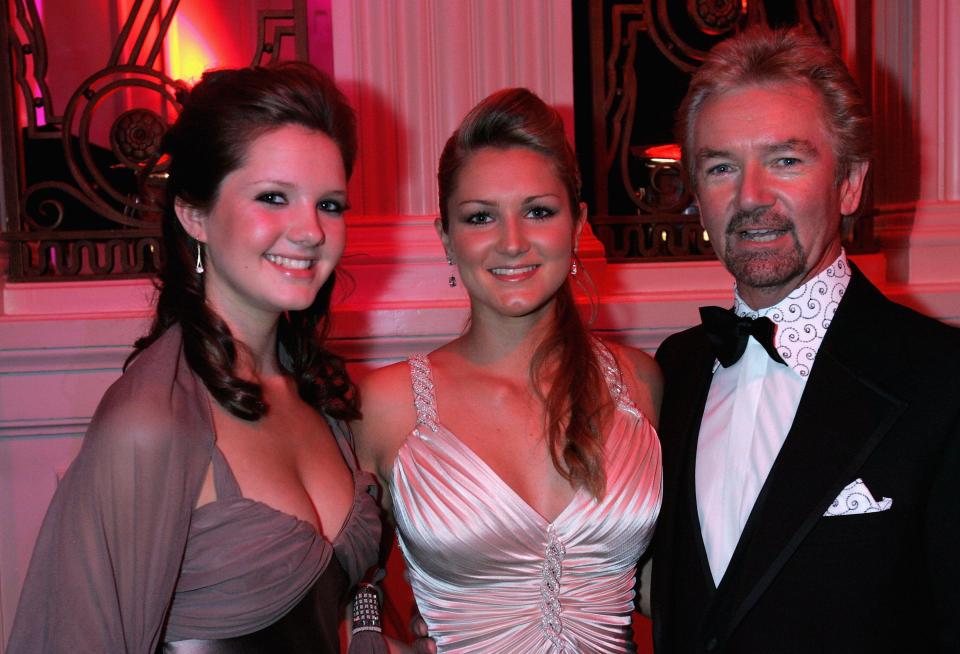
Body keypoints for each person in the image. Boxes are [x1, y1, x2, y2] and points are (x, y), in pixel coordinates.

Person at [7, 62, 389, 653]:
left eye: (330, 204)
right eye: (273, 197)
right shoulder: (150, 423)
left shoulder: (315, 392)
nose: (310, 230)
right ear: (194, 215)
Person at [652, 27, 960, 653]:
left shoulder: (945, 380)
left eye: (785, 161)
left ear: (849, 185)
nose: (751, 197)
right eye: (720, 167)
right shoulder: (673, 370)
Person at [353, 87, 663, 653]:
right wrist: (378, 638)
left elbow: (664, 576)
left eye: (538, 211)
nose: (512, 242)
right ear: (446, 237)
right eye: (480, 217)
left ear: (577, 224)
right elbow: (342, 573)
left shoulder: (644, 383)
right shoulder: (385, 404)